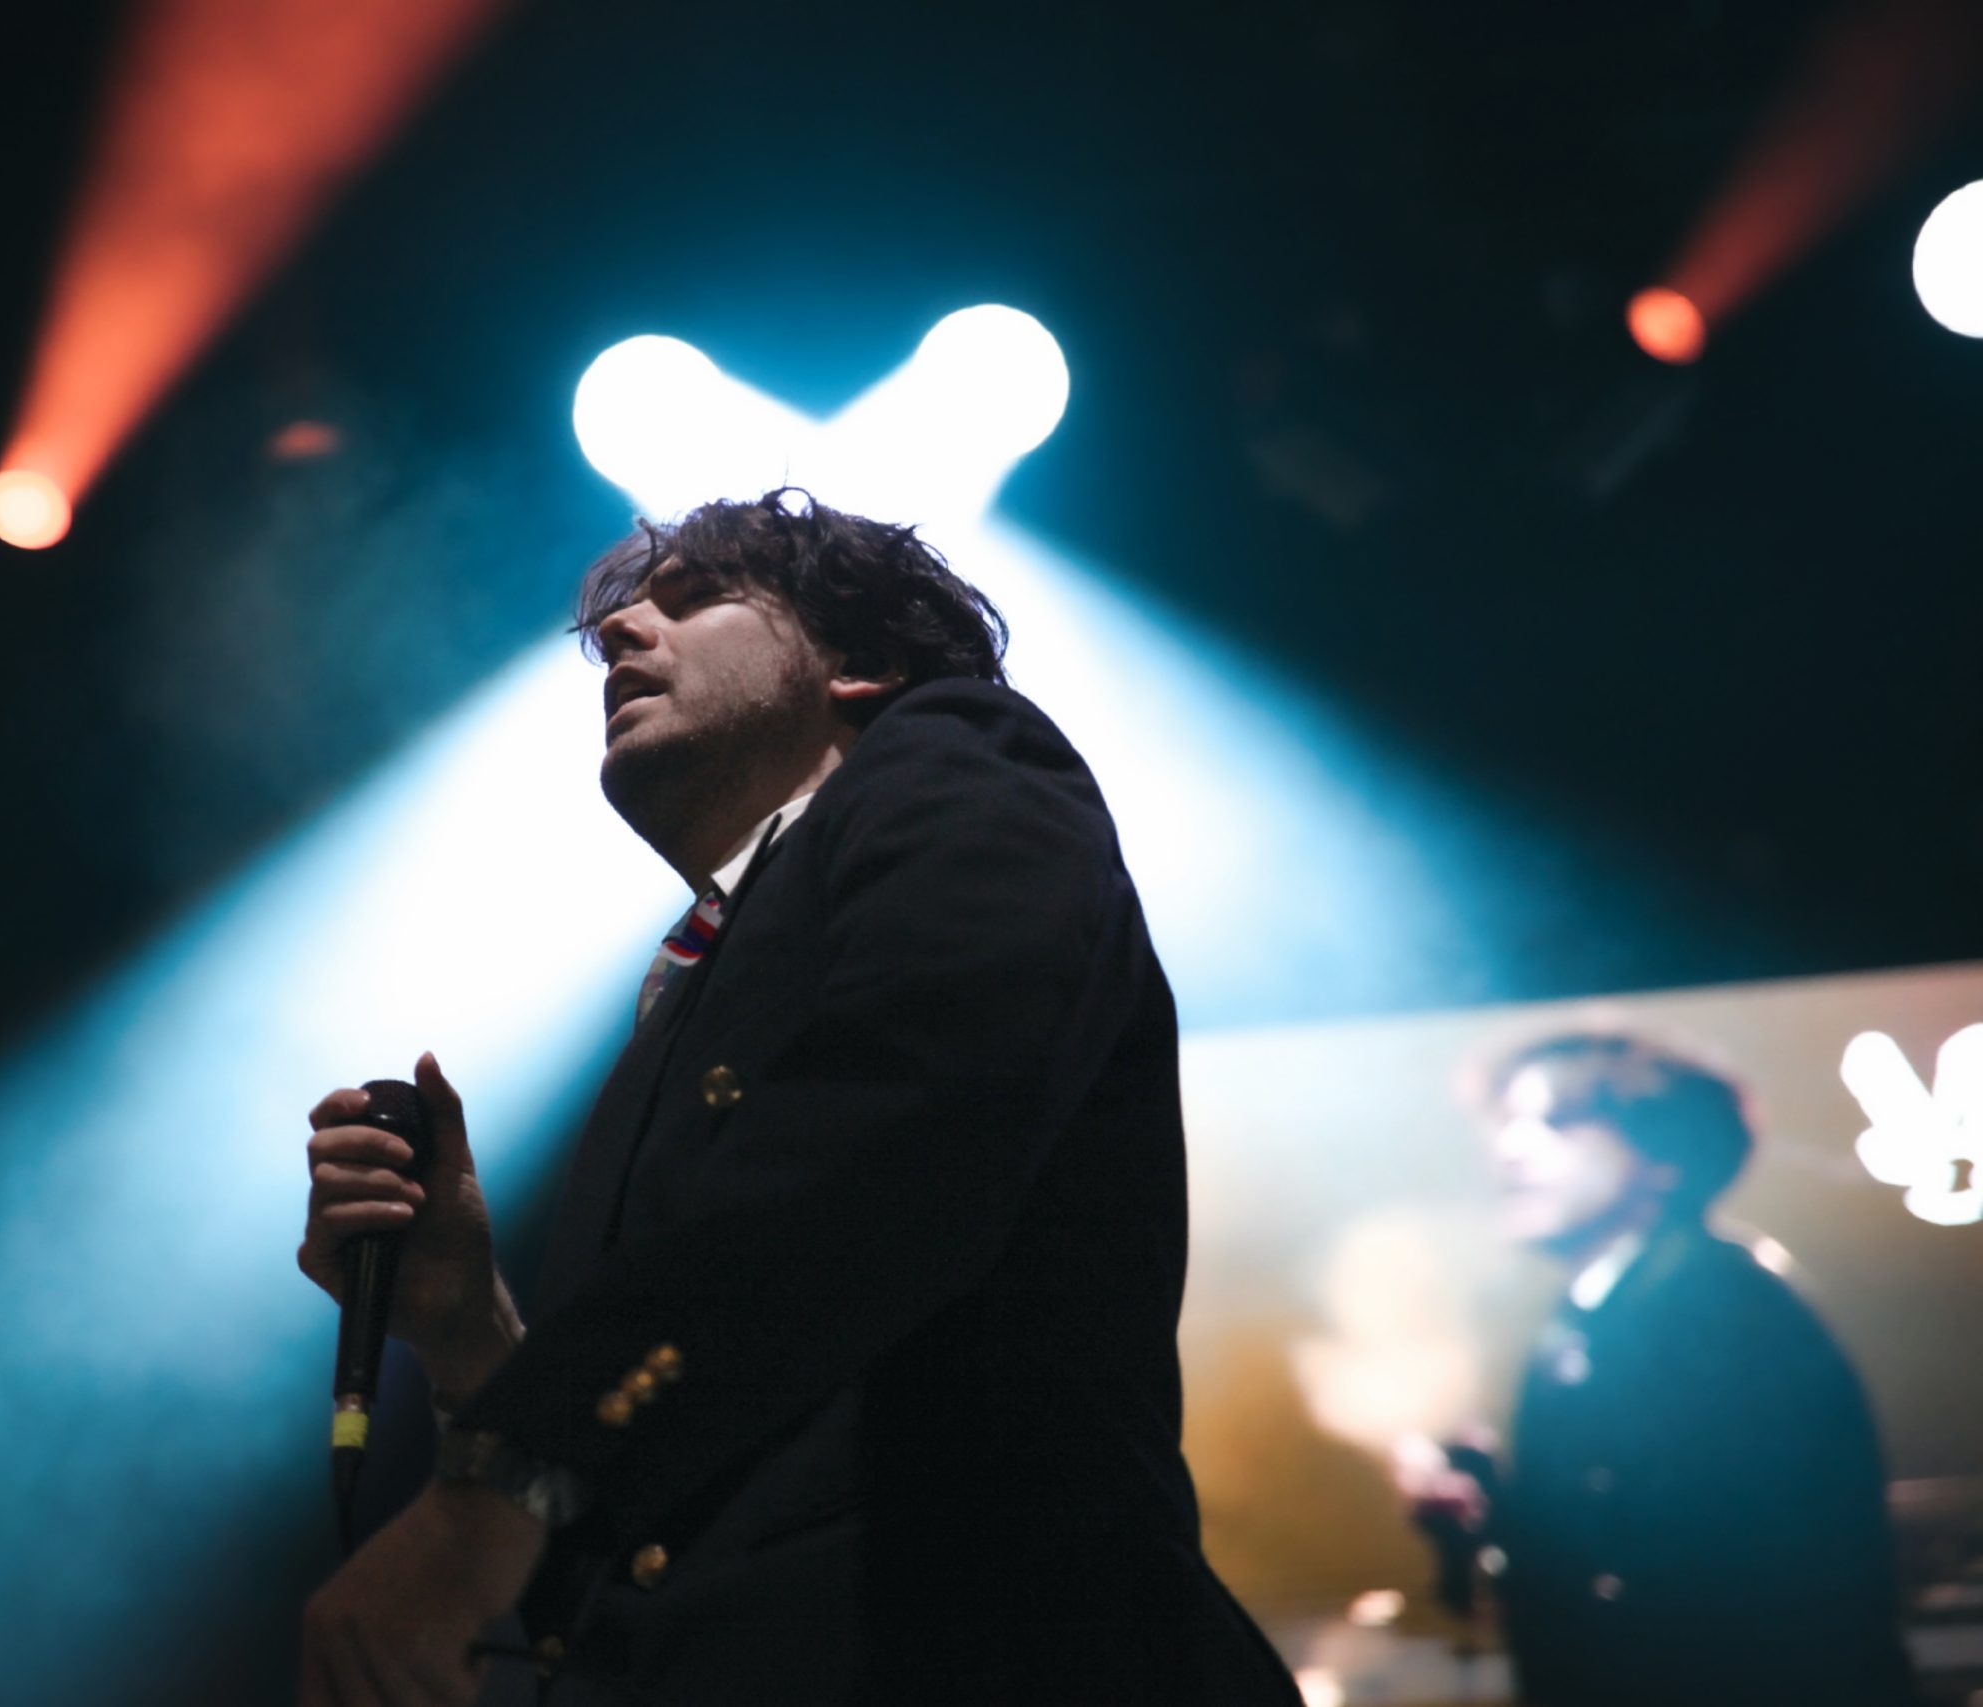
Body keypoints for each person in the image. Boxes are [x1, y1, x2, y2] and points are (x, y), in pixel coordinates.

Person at [295, 490, 1299, 1705]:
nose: (620, 633)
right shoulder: (702, 976)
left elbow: (899, 1140)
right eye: (621, 619)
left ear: (861, 664)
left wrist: (496, 1487)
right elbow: (671, 1477)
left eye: (693, 599)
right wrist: (467, 1327)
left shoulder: (956, 760)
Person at [1405, 1032, 1913, 1707]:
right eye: (1508, 1122)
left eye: (1558, 1120)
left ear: (1664, 1157)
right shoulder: (1609, 1312)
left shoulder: (1715, 1304)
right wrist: (1489, 1509)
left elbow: (1716, 1577)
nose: (1510, 1148)